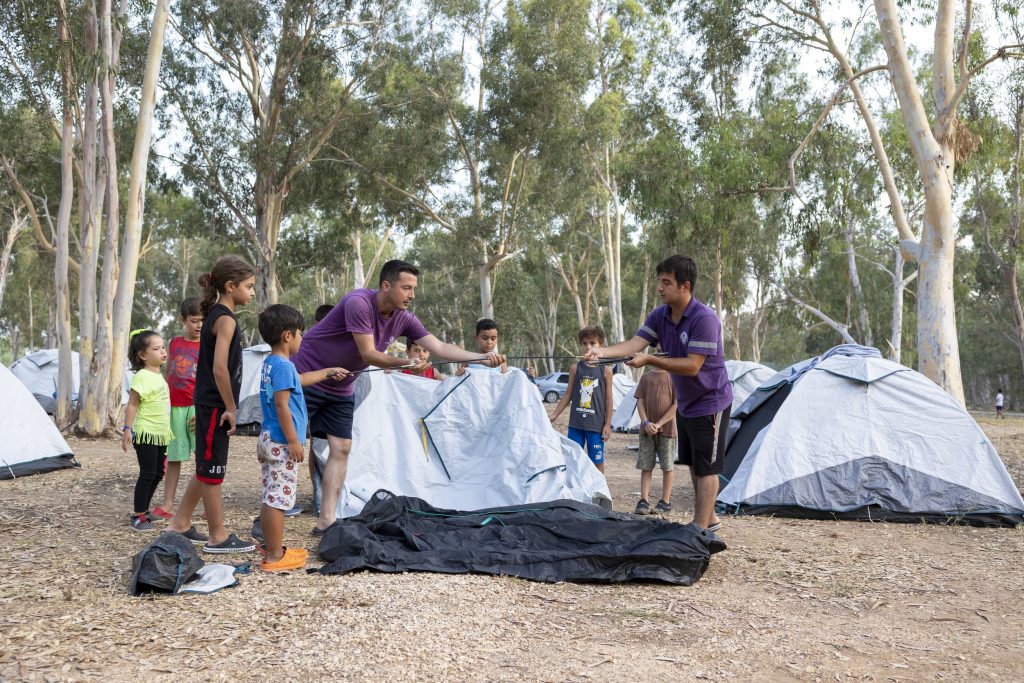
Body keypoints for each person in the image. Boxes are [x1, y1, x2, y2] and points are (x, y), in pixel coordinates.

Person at [292, 259, 505, 535]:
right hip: (308, 376)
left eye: (414, 288)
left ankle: (326, 520)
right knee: (286, 445)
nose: (412, 294)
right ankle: (272, 514)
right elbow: (368, 354)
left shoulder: (404, 318)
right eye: (406, 288)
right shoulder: (359, 303)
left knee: (341, 448)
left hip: (341, 388)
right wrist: (405, 363)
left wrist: (481, 358)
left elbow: (439, 346)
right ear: (386, 285)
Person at [584, 255, 732, 532]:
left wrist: (650, 359)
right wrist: (601, 352)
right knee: (695, 463)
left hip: (711, 402)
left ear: (685, 286)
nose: (660, 288)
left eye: (666, 282)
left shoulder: (704, 319)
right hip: (687, 403)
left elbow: (692, 366)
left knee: (707, 467)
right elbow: (635, 344)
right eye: (659, 281)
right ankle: (710, 519)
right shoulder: (660, 315)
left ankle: (700, 529)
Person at [166, 255, 258, 553]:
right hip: (215, 405)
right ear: (231, 286)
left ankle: (180, 523)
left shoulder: (217, 316)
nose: (252, 292)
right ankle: (217, 537)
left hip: (209, 404)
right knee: (212, 470)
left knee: (206, 466)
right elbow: (220, 368)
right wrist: (231, 408)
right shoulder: (225, 319)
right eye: (249, 286)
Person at [256, 304, 348, 571]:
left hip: (269, 437)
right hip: (281, 442)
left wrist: (328, 372)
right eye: (300, 333)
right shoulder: (284, 367)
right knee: (279, 499)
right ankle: (275, 557)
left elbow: (300, 380)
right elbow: (282, 404)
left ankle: (273, 548)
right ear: (288, 335)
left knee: (271, 495)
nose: (302, 338)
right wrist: (293, 441)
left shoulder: (272, 363)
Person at [153, 298, 204, 520]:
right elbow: (166, 374)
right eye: (194, 320)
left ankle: (207, 505)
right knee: (173, 457)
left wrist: (203, 409)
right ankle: (168, 503)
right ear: (182, 320)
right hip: (174, 407)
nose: (199, 325)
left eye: (203, 320)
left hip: (197, 407)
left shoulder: (209, 345)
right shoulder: (173, 343)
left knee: (204, 457)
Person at [122, 330, 175, 531]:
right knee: (147, 474)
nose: (163, 351)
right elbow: (132, 405)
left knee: (158, 473)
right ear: (142, 355)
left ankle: (144, 512)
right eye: (156, 348)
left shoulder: (158, 375)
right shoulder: (142, 376)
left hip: (160, 434)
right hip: (146, 433)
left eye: (163, 347)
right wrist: (127, 429)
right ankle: (138, 517)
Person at [548, 326, 614, 474]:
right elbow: (568, 395)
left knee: (597, 461)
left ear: (601, 345)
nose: (588, 347)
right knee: (573, 460)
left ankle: (599, 487)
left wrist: (608, 424)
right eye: (584, 343)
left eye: (592, 343)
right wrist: (554, 415)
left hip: (596, 427)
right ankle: (574, 488)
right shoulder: (575, 369)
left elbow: (609, 400)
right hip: (576, 425)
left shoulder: (606, 371)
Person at [633, 362, 678, 515]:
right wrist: (646, 422)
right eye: (657, 351)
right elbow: (640, 401)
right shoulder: (646, 377)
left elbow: (676, 405)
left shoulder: (674, 377)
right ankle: (643, 500)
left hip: (667, 430)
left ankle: (665, 501)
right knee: (646, 465)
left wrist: (659, 424)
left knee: (667, 466)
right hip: (647, 431)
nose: (660, 354)